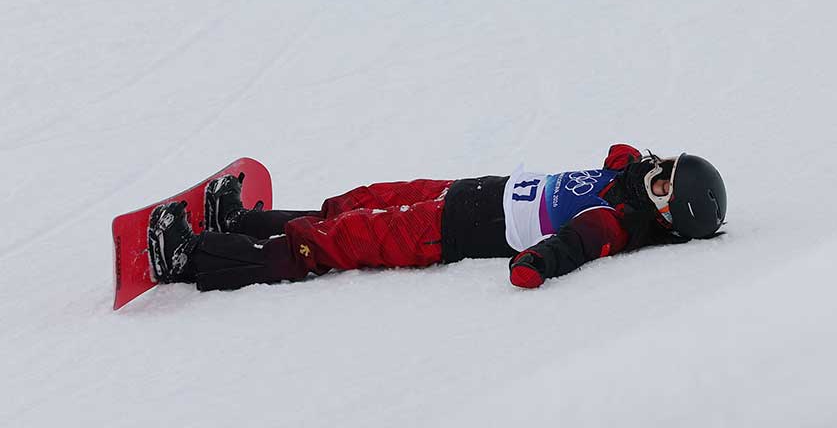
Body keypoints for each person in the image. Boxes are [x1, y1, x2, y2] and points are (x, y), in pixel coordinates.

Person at [147, 144, 727, 292]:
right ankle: (250, 224)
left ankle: (197, 260)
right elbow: (621, 154)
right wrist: (643, 164)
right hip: (465, 192)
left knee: (345, 238)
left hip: (451, 233)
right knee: (361, 199)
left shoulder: (617, 223)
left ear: (665, 214)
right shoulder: (630, 181)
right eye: (663, 163)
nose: (652, 169)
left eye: (662, 179)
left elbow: (573, 242)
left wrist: (537, 264)